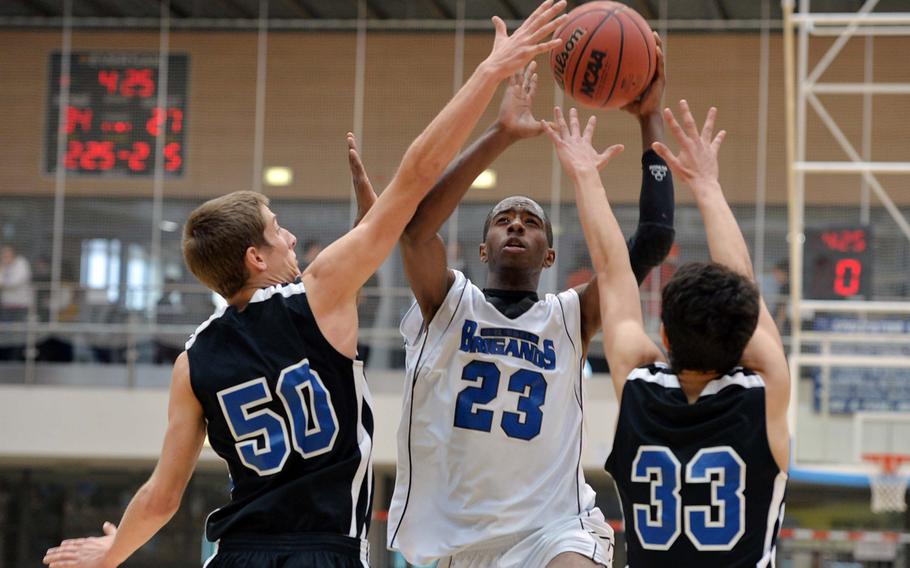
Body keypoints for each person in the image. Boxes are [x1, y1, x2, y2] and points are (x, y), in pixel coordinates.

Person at [41, 4, 567, 567]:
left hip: (236, 555)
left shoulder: (191, 361)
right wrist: (488, 73)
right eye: (277, 231)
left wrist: (112, 553)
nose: (291, 237)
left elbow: (162, 498)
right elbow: (416, 175)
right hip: (325, 551)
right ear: (255, 257)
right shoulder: (320, 292)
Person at [349, 34, 675, 568]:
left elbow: (654, 239)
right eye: (503, 220)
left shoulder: (573, 315)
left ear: (549, 256)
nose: (517, 224)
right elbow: (415, 234)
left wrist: (649, 118)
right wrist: (500, 134)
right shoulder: (447, 303)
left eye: (531, 222)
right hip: (459, 540)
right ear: (483, 248)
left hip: (557, 526)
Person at [547, 100, 789, 566]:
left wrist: (585, 175)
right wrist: (706, 185)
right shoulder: (765, 391)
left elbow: (613, 271)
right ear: (744, 337)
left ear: (663, 332)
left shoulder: (638, 386)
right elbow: (744, 286)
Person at [0, 244, 34, 361]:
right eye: (3, 255)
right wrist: (3, 268)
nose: (5, 257)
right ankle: (6, 359)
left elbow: (14, 282)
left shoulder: (21, 264)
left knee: (19, 334)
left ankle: (17, 360)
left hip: (21, 307)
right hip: (6, 306)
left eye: (7, 254)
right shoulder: (3, 266)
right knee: (5, 333)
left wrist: (4, 283)